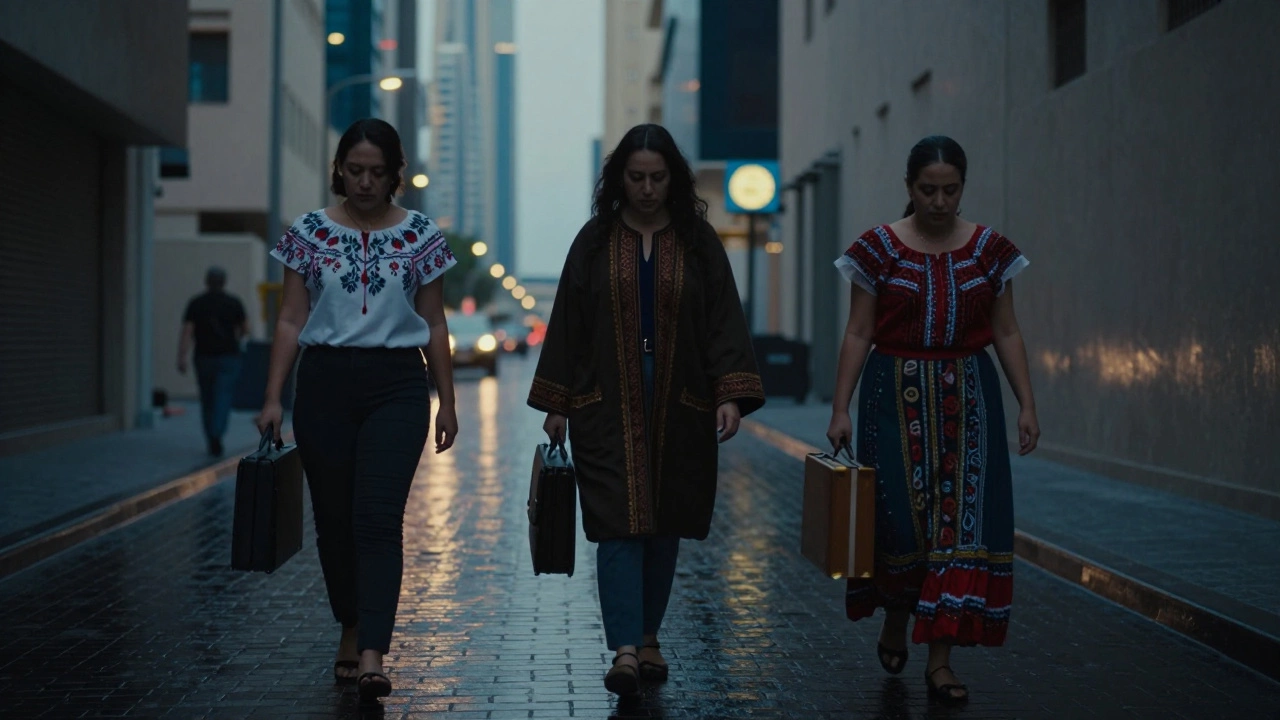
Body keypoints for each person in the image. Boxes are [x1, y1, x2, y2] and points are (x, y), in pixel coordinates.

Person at [529, 123, 766, 696]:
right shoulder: (593, 241)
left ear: (674, 180)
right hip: (604, 401)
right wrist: (557, 400)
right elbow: (568, 322)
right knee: (617, 526)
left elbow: (721, 321)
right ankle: (626, 649)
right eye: (635, 177)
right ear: (619, 179)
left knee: (664, 524)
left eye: (658, 178)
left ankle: (650, 634)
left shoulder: (698, 241)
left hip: (682, 399)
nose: (647, 189)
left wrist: (729, 392)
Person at [825, 135, 1040, 706]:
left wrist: (1027, 403)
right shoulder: (877, 250)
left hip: (970, 399)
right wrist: (840, 407)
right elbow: (858, 331)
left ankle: (940, 661)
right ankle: (897, 617)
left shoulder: (991, 252)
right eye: (928, 190)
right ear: (908, 187)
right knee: (900, 524)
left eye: (950, 190)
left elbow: (1007, 331)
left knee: (960, 526)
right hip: (890, 398)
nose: (940, 201)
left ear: (963, 188)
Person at [255, 118, 459, 702]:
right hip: (323, 385)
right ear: (339, 170)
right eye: (355, 170)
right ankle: (350, 620)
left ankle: (372, 648)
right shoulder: (309, 232)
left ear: (396, 175)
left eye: (377, 172)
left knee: (376, 517)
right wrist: (272, 397)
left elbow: (436, 321)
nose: (365, 182)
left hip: (396, 385)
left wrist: (447, 401)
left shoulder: (420, 234)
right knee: (335, 522)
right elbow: (292, 318)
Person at [178, 266, 247, 456]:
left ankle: (211, 435)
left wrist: (182, 356)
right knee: (223, 396)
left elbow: (187, 331)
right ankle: (217, 432)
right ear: (224, 282)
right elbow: (244, 329)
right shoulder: (233, 303)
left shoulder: (196, 303)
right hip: (228, 357)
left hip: (203, 357)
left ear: (206, 281)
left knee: (207, 398)